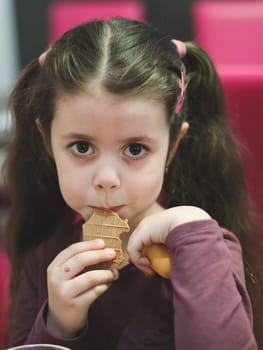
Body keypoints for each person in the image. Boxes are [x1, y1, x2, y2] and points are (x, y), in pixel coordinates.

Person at [4, 17, 262, 349]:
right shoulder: (45, 254)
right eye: (82, 147)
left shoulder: (204, 247)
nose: (107, 179)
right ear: (47, 140)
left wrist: (192, 226)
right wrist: (57, 323)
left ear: (172, 147)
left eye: (135, 149)